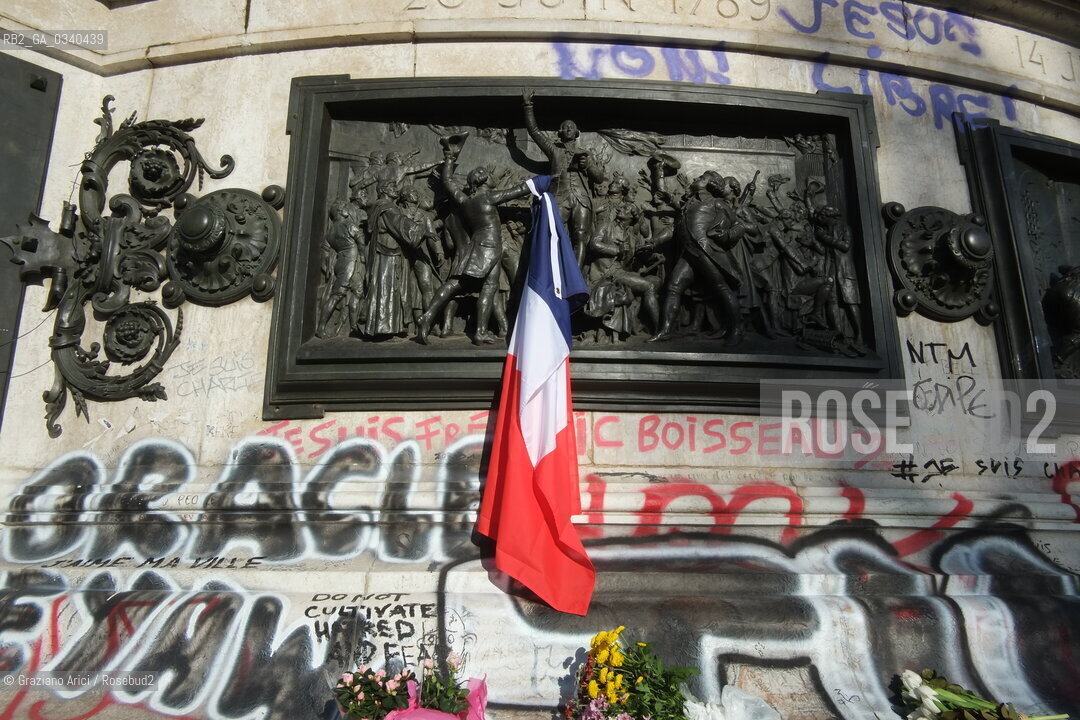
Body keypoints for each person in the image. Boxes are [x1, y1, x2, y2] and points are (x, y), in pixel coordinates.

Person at [416, 151, 531, 345]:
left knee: (458, 284)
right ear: (484, 179)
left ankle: (428, 317)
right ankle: (478, 332)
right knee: (485, 287)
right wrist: (545, 181)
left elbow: (448, 182)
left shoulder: (465, 200)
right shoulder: (488, 198)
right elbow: (519, 190)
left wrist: (450, 159)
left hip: (477, 246)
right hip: (490, 247)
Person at [649, 171, 752, 345]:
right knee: (673, 286)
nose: (696, 179)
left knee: (722, 287)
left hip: (706, 251)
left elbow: (737, 225)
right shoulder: (690, 202)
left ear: (711, 185)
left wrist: (725, 235)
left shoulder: (717, 203)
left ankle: (737, 331)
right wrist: (653, 242)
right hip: (689, 253)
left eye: (702, 178)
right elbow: (679, 221)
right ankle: (665, 330)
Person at [523, 89, 605, 266]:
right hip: (560, 197)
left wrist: (588, 166)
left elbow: (599, 178)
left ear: (577, 132)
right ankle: (556, 273)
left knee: (581, 236)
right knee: (553, 233)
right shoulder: (554, 150)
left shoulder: (586, 154)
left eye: (572, 126)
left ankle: (576, 276)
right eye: (565, 126)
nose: (568, 128)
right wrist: (528, 105)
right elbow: (535, 131)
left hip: (581, 199)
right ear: (560, 132)